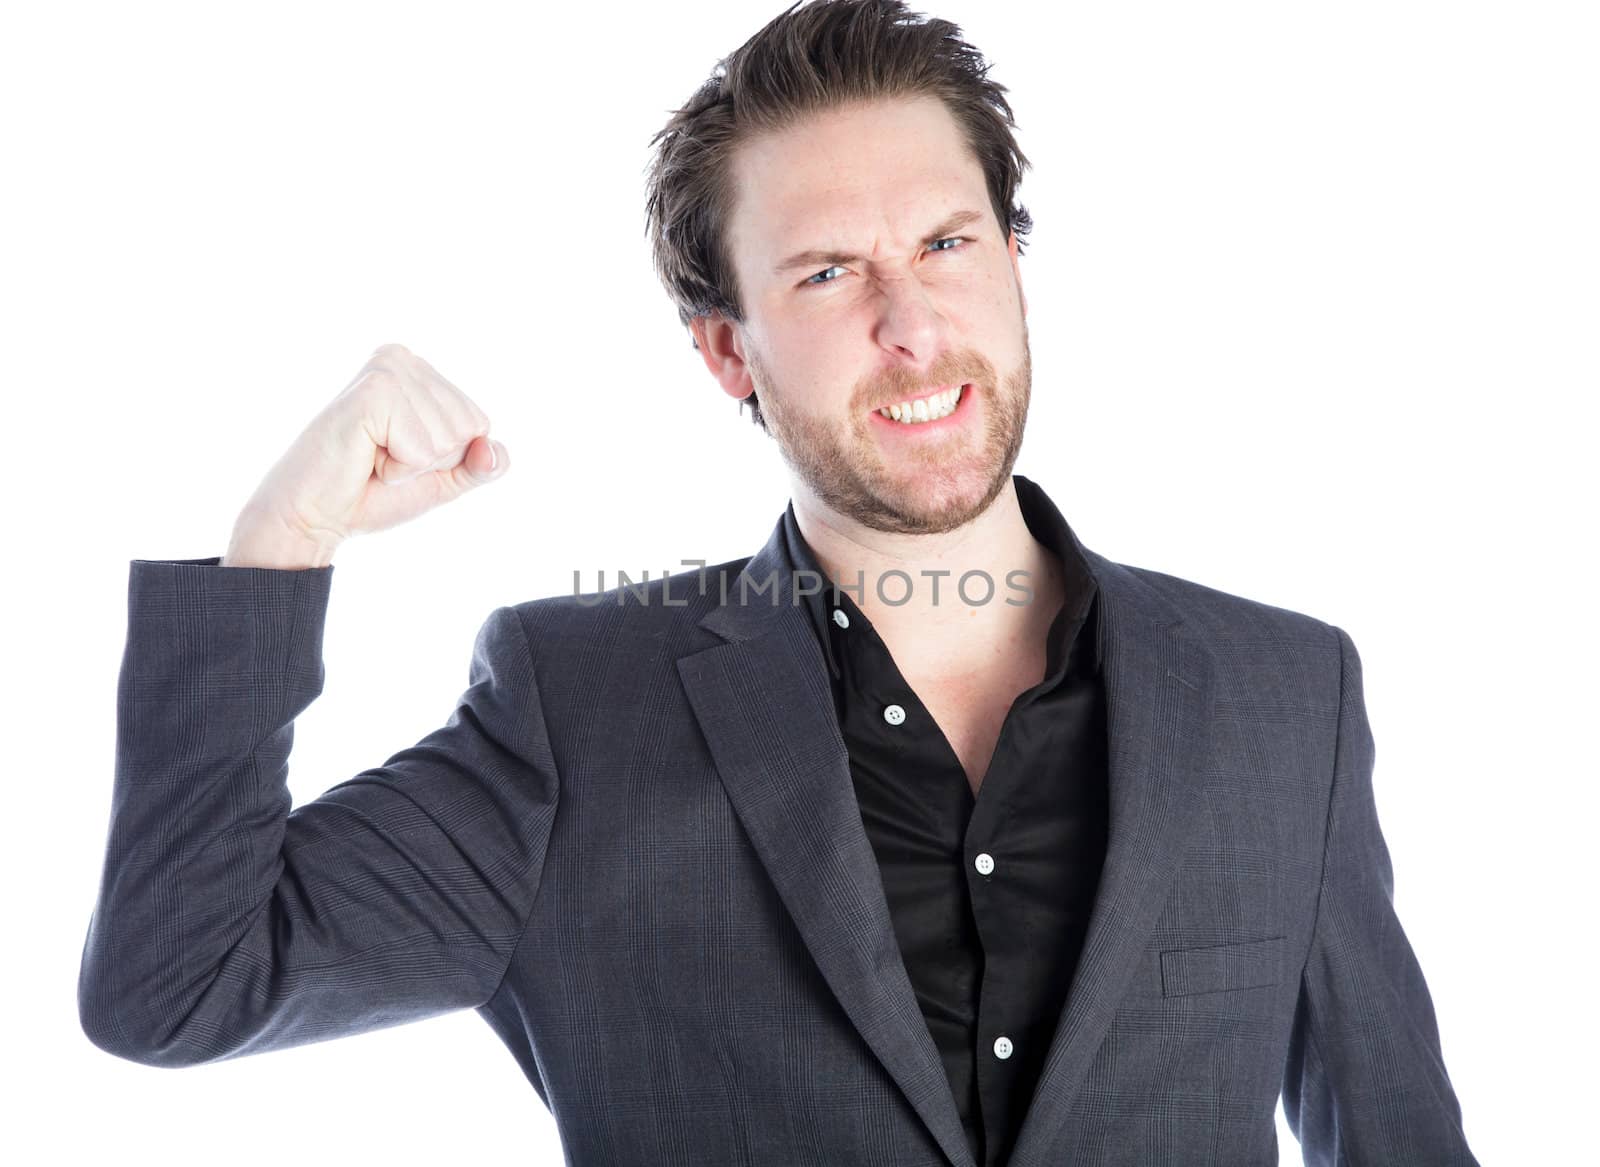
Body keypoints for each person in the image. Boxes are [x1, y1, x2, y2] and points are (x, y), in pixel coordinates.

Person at [77, 1, 1480, 1163]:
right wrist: (281, 544)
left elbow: (1400, 1138)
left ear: (1014, 265)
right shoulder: (578, 711)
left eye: (946, 242)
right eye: (826, 276)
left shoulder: (1282, 693)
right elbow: (178, 988)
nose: (913, 328)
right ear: (728, 355)